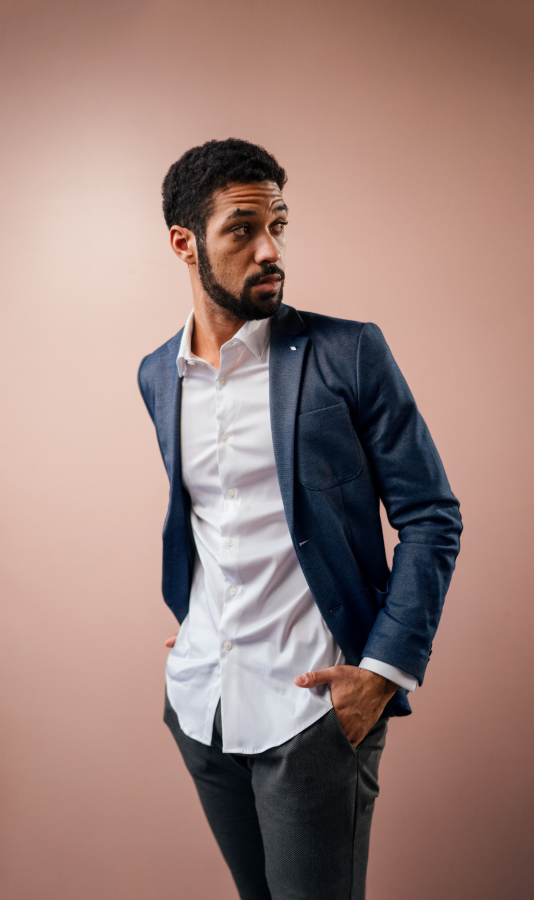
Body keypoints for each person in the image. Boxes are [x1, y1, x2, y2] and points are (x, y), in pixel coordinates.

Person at [137, 138, 462, 900]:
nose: (269, 249)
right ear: (185, 244)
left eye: (278, 224)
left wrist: (380, 674)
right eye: (242, 229)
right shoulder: (158, 374)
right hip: (201, 705)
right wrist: (195, 610)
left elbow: (431, 514)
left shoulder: (349, 353)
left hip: (311, 711)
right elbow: (207, 513)